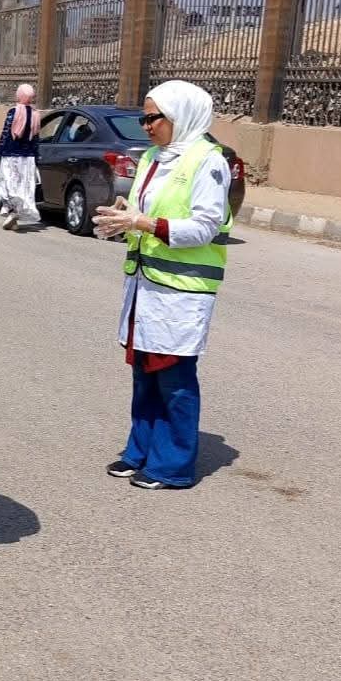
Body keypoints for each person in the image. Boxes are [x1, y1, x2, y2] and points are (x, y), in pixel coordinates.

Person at [94, 80, 232, 491]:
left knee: (173, 377)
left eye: (153, 118)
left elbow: (205, 227)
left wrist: (143, 222)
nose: (146, 126)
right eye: (144, 118)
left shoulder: (208, 162)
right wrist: (124, 216)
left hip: (181, 289)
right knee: (144, 371)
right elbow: (146, 211)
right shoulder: (154, 157)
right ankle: (139, 450)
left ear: (180, 116)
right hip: (145, 283)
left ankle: (171, 465)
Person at [0, 83, 40, 230]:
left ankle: (13, 212)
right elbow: (36, 138)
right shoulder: (35, 114)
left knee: (8, 185)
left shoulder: (14, 112)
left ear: (19, 95)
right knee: (23, 188)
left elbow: (6, 134)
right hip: (28, 158)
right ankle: (14, 219)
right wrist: (36, 156)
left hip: (11, 156)